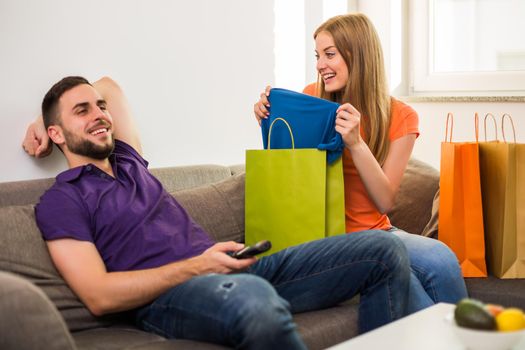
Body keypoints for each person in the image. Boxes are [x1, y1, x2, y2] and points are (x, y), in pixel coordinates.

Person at [23, 75, 413, 349]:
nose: (100, 114)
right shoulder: (62, 200)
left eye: (100, 108)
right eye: (81, 110)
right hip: (170, 296)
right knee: (255, 302)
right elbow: (99, 297)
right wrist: (198, 266)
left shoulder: (128, 160)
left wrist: (56, 117)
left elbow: (109, 84)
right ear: (58, 135)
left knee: (384, 250)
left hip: (232, 267)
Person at [254, 13, 468, 313]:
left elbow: (384, 200)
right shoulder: (312, 98)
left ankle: (471, 339)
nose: (319, 65)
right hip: (329, 239)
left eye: (330, 54)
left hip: (378, 232)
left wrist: (356, 143)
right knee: (408, 284)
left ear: (360, 56)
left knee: (440, 257)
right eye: (318, 56)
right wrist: (268, 117)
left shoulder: (401, 116)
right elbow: (287, 170)